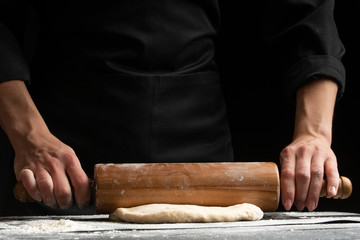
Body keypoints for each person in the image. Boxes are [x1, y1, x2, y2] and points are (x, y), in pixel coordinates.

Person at [0, 0, 345, 215]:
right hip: (63, 161)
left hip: (203, 154)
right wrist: (30, 136)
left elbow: (307, 12)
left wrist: (314, 134)